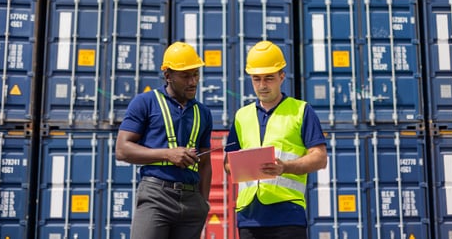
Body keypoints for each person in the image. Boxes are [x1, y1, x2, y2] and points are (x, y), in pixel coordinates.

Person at [224, 40, 327, 239]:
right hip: (249, 216)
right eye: (256, 79)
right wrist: (241, 165)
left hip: (288, 215)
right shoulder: (241, 116)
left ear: (282, 76)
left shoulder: (301, 111)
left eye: (269, 78)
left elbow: (319, 158)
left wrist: (284, 167)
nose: (262, 85)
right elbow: (228, 164)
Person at [115, 41, 213, 239]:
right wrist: (168, 154)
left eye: (196, 74)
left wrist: (204, 202)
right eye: (185, 76)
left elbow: (205, 163)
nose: (193, 81)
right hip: (155, 196)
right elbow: (122, 150)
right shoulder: (145, 102)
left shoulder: (204, 112)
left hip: (192, 200)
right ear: (168, 75)